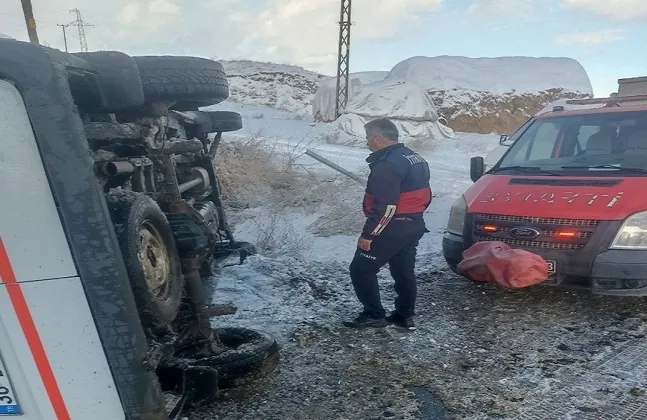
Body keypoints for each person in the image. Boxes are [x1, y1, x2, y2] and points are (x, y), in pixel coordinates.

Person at [343, 118, 431, 330]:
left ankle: (374, 314)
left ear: (378, 137)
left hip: (393, 227)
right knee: (403, 272)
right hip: (414, 224)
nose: (366, 143)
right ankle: (404, 315)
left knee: (361, 269)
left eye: (367, 138)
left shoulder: (387, 165)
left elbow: (386, 208)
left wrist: (369, 235)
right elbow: (426, 195)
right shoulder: (415, 157)